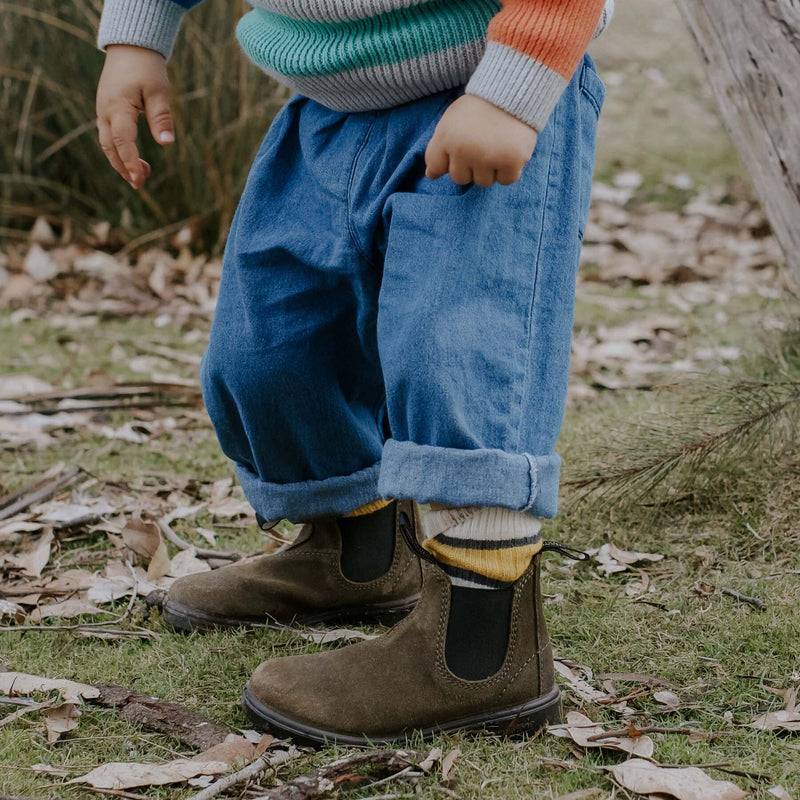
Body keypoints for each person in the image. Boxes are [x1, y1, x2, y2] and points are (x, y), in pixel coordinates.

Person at [95, 0, 611, 744]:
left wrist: (513, 87)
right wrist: (137, 35)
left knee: (456, 352)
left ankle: (480, 648)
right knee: (269, 352)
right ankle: (355, 554)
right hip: (327, 101)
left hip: (483, 88)